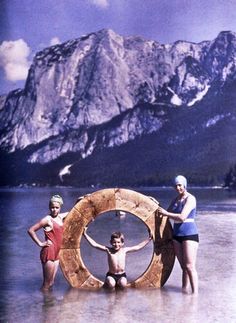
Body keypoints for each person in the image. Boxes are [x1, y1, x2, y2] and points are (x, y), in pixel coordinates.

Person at [157, 175, 199, 294]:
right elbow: (164, 213)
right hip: (176, 235)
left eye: (180, 185)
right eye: (175, 185)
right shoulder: (175, 200)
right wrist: (154, 203)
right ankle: (184, 291)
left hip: (189, 234)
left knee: (190, 266)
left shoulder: (191, 199)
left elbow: (182, 217)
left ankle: (195, 295)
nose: (178, 187)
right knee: (183, 268)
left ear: (185, 185)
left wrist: (165, 212)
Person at [83, 227, 152, 289]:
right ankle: (109, 295)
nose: (116, 244)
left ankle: (119, 300)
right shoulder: (108, 250)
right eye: (114, 242)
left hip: (122, 275)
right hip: (111, 275)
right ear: (110, 242)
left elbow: (138, 247)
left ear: (122, 243)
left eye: (118, 242)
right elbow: (94, 244)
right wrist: (85, 234)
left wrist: (149, 239)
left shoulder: (124, 250)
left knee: (123, 284)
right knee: (111, 284)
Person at [28, 194, 68, 291]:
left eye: (56, 207)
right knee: (46, 284)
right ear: (49, 207)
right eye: (52, 207)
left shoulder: (61, 217)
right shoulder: (47, 219)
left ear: (60, 208)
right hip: (49, 251)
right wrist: (40, 243)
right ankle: (41, 303)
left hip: (57, 252)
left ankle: (49, 304)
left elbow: (75, 211)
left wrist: (82, 199)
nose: (54, 210)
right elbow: (31, 230)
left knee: (51, 282)